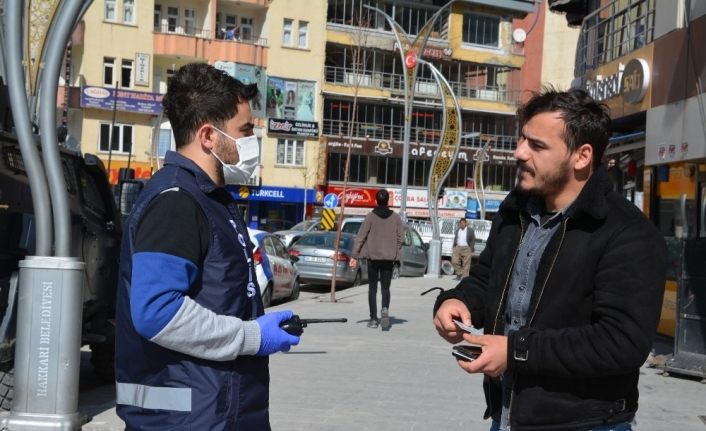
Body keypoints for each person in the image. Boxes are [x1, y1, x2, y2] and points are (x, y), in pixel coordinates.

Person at [432, 88, 666, 431]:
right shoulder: (516, 211)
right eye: (522, 139)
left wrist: (515, 351)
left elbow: (622, 343)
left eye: (537, 145)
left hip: (585, 423)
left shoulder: (628, 233)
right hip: (507, 415)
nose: (519, 152)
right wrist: (456, 301)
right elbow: (485, 278)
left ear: (582, 157)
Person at [115, 62, 300, 430]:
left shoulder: (208, 199)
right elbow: (156, 312)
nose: (252, 141)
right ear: (208, 136)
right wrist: (253, 335)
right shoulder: (176, 202)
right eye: (245, 131)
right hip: (189, 419)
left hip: (215, 411)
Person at [353, 189, 403, 330]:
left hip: (373, 258)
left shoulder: (370, 216)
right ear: (388, 201)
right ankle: (385, 308)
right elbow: (401, 238)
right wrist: (395, 250)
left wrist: (354, 254)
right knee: (386, 288)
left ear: (376, 200)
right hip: (388, 258)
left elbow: (361, 236)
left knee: (372, 288)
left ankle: (374, 319)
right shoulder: (395, 218)